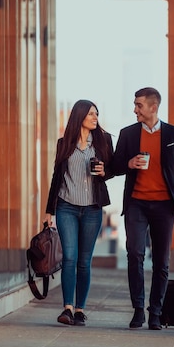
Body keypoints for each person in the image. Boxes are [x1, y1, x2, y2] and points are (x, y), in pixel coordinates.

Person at [112, 87, 174, 330]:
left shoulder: (173, 133)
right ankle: (138, 310)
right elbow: (116, 166)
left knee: (162, 261)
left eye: (139, 105)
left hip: (164, 206)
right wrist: (129, 163)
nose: (135, 109)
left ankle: (156, 312)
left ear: (153, 107)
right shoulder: (128, 134)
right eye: (134, 104)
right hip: (136, 204)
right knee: (135, 254)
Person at [43, 99, 114, 326]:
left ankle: (81, 309)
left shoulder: (104, 142)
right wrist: (48, 211)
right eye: (92, 114)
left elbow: (113, 169)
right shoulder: (64, 143)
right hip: (66, 207)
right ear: (80, 116)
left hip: (92, 209)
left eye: (97, 114)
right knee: (70, 257)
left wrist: (106, 172)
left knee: (84, 261)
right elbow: (56, 178)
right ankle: (67, 308)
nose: (95, 117)